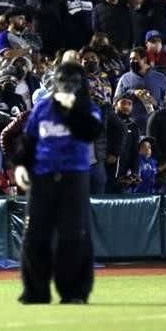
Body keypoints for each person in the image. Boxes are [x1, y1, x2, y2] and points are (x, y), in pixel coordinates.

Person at [14, 62, 101, 304]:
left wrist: (72, 111)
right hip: (42, 178)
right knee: (34, 235)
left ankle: (74, 292)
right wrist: (21, 164)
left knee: (74, 235)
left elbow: (90, 132)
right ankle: (35, 292)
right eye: (64, 80)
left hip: (74, 178)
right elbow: (28, 141)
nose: (67, 85)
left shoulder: (88, 109)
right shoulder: (41, 109)